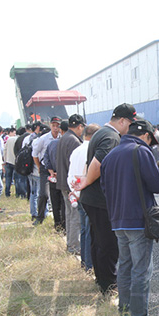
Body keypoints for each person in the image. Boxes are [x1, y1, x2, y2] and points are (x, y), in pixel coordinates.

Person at [100, 119, 159, 316]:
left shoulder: (110, 156)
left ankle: (125, 310)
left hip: (117, 221)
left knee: (125, 266)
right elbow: (156, 185)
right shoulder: (141, 152)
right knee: (142, 270)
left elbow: (104, 188)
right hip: (138, 219)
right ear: (146, 135)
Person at [75, 103, 136, 295]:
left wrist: (86, 182)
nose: (129, 128)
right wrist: (86, 181)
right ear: (122, 121)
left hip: (93, 199)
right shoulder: (111, 137)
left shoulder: (101, 133)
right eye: (129, 124)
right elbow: (97, 164)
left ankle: (101, 279)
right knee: (108, 244)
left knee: (97, 241)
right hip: (100, 199)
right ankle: (108, 285)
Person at [68, 123, 99, 270]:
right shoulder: (93, 150)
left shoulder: (76, 150)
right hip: (87, 195)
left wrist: (74, 192)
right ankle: (89, 264)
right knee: (91, 231)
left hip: (77, 193)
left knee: (84, 230)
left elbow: (71, 173)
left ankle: (85, 262)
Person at [55, 114, 84, 254]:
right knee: (75, 216)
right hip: (71, 184)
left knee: (69, 214)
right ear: (79, 126)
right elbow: (76, 166)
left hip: (63, 182)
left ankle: (70, 243)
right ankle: (73, 246)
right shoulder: (74, 141)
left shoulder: (64, 138)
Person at [32, 116, 61, 225]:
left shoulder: (62, 137)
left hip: (58, 169)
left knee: (58, 194)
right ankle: (40, 217)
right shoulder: (43, 139)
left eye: (57, 126)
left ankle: (58, 219)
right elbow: (34, 154)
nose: (55, 128)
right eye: (53, 126)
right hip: (45, 168)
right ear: (50, 126)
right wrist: (39, 167)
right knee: (43, 193)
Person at [42, 127, 65, 233]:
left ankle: (57, 225)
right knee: (64, 202)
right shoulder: (69, 143)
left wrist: (51, 171)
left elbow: (45, 159)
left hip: (53, 177)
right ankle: (64, 225)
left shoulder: (51, 144)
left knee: (55, 202)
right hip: (64, 177)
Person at [3, 127, 17, 197]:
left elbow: (4, 150)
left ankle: (7, 192)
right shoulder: (17, 139)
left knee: (8, 178)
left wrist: (5, 160)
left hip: (8, 161)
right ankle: (18, 193)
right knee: (16, 179)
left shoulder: (8, 140)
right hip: (15, 162)